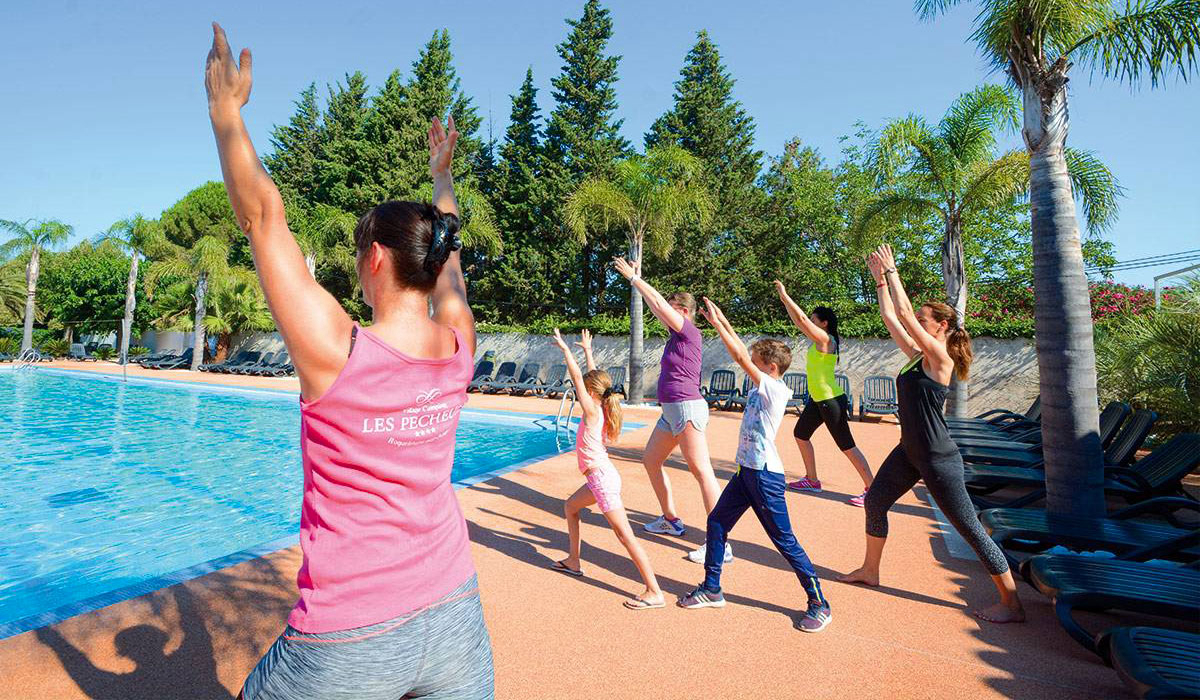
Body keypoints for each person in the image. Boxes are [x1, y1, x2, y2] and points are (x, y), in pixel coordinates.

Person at [205, 24, 494, 699]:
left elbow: (264, 219)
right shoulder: (459, 345)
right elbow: (450, 263)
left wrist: (225, 113)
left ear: (374, 261)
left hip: (350, 640)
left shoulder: (338, 354)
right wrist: (441, 177)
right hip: (456, 615)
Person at [839, 244, 1025, 624]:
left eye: (926, 321)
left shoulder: (941, 359)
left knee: (969, 527)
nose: (918, 324)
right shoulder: (916, 357)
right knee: (875, 502)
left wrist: (893, 272)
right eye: (921, 321)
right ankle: (870, 571)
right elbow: (893, 316)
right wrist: (879, 281)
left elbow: (905, 314)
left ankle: (1012, 603)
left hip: (939, 459)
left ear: (942, 327)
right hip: (910, 451)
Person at [676, 298, 832, 633]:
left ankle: (819, 603)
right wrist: (722, 319)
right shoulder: (765, 383)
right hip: (746, 472)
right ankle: (712, 588)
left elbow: (740, 357)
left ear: (771, 368)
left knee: (784, 540)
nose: (752, 367)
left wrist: (718, 327)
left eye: (758, 364)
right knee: (717, 522)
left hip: (765, 476)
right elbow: (745, 354)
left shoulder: (774, 389)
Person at [611, 258, 730, 565]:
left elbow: (660, 305)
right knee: (651, 460)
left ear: (685, 312)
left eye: (674, 307)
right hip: (671, 412)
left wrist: (635, 280)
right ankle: (671, 519)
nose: (666, 310)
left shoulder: (689, 332)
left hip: (687, 409)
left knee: (702, 472)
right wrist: (639, 280)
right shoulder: (675, 336)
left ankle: (720, 542)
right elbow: (657, 306)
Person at [549, 328, 665, 610]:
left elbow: (579, 378)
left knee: (625, 536)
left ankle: (654, 591)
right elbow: (592, 378)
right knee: (570, 507)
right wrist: (588, 351)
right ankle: (574, 561)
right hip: (601, 477)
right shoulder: (602, 405)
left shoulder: (591, 410)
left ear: (590, 393)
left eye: (585, 390)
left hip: (601, 480)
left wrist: (566, 351)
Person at [774, 281, 874, 506]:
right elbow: (799, 322)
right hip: (818, 400)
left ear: (824, 323)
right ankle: (812, 480)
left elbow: (800, 321)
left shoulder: (827, 340)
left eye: (814, 319)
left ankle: (873, 489)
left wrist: (786, 295)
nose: (810, 322)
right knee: (801, 434)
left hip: (830, 400)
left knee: (847, 446)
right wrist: (784, 301)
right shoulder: (820, 339)